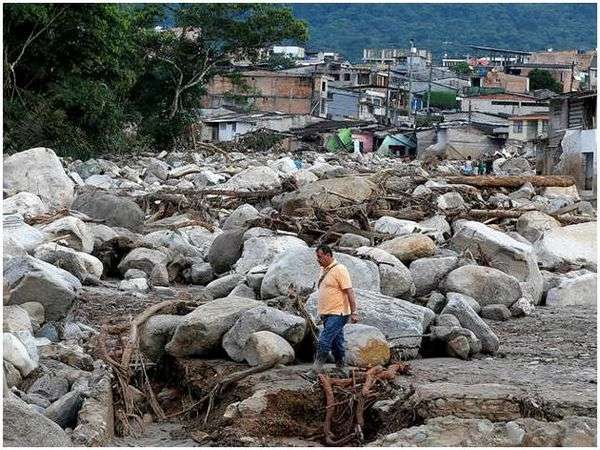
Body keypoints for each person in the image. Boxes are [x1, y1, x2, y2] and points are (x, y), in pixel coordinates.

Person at [310, 244, 358, 376]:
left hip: (338, 313)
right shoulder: (324, 270)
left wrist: (354, 312)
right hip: (327, 313)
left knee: (324, 340)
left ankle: (315, 370)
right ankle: (342, 368)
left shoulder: (340, 269)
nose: (317, 259)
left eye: (319, 257)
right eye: (317, 257)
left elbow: (349, 291)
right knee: (337, 342)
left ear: (328, 255)